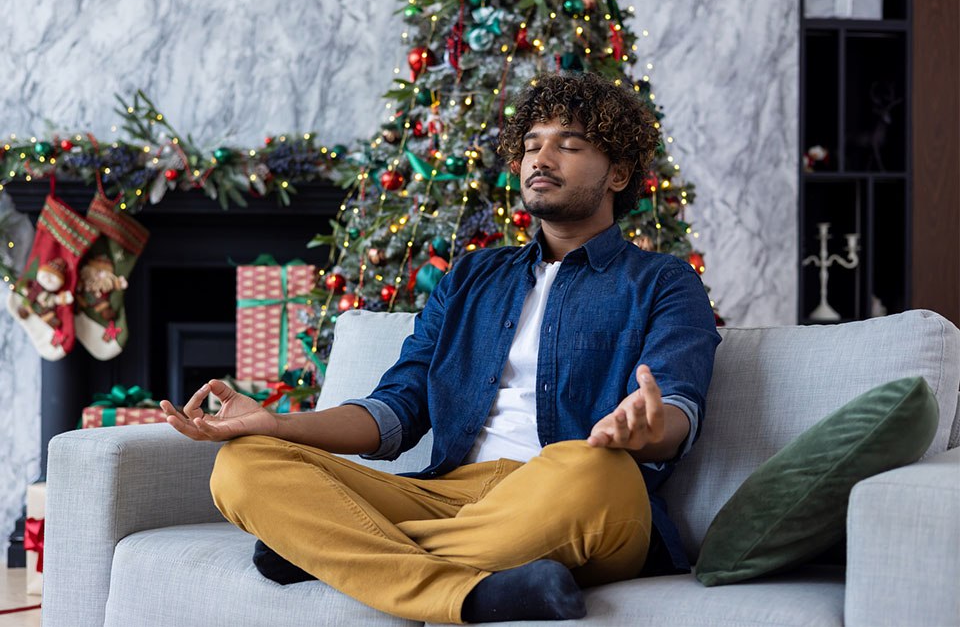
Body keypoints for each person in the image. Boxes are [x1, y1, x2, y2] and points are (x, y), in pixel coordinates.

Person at [161, 71, 721, 624]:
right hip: (451, 495)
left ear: (618, 174)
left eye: (568, 145)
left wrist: (648, 430)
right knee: (243, 465)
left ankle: (330, 549)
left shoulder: (663, 281)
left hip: (569, 491)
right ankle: (476, 594)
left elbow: (675, 406)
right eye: (530, 145)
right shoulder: (473, 276)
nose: (540, 159)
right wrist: (277, 426)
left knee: (597, 471)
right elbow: (396, 410)